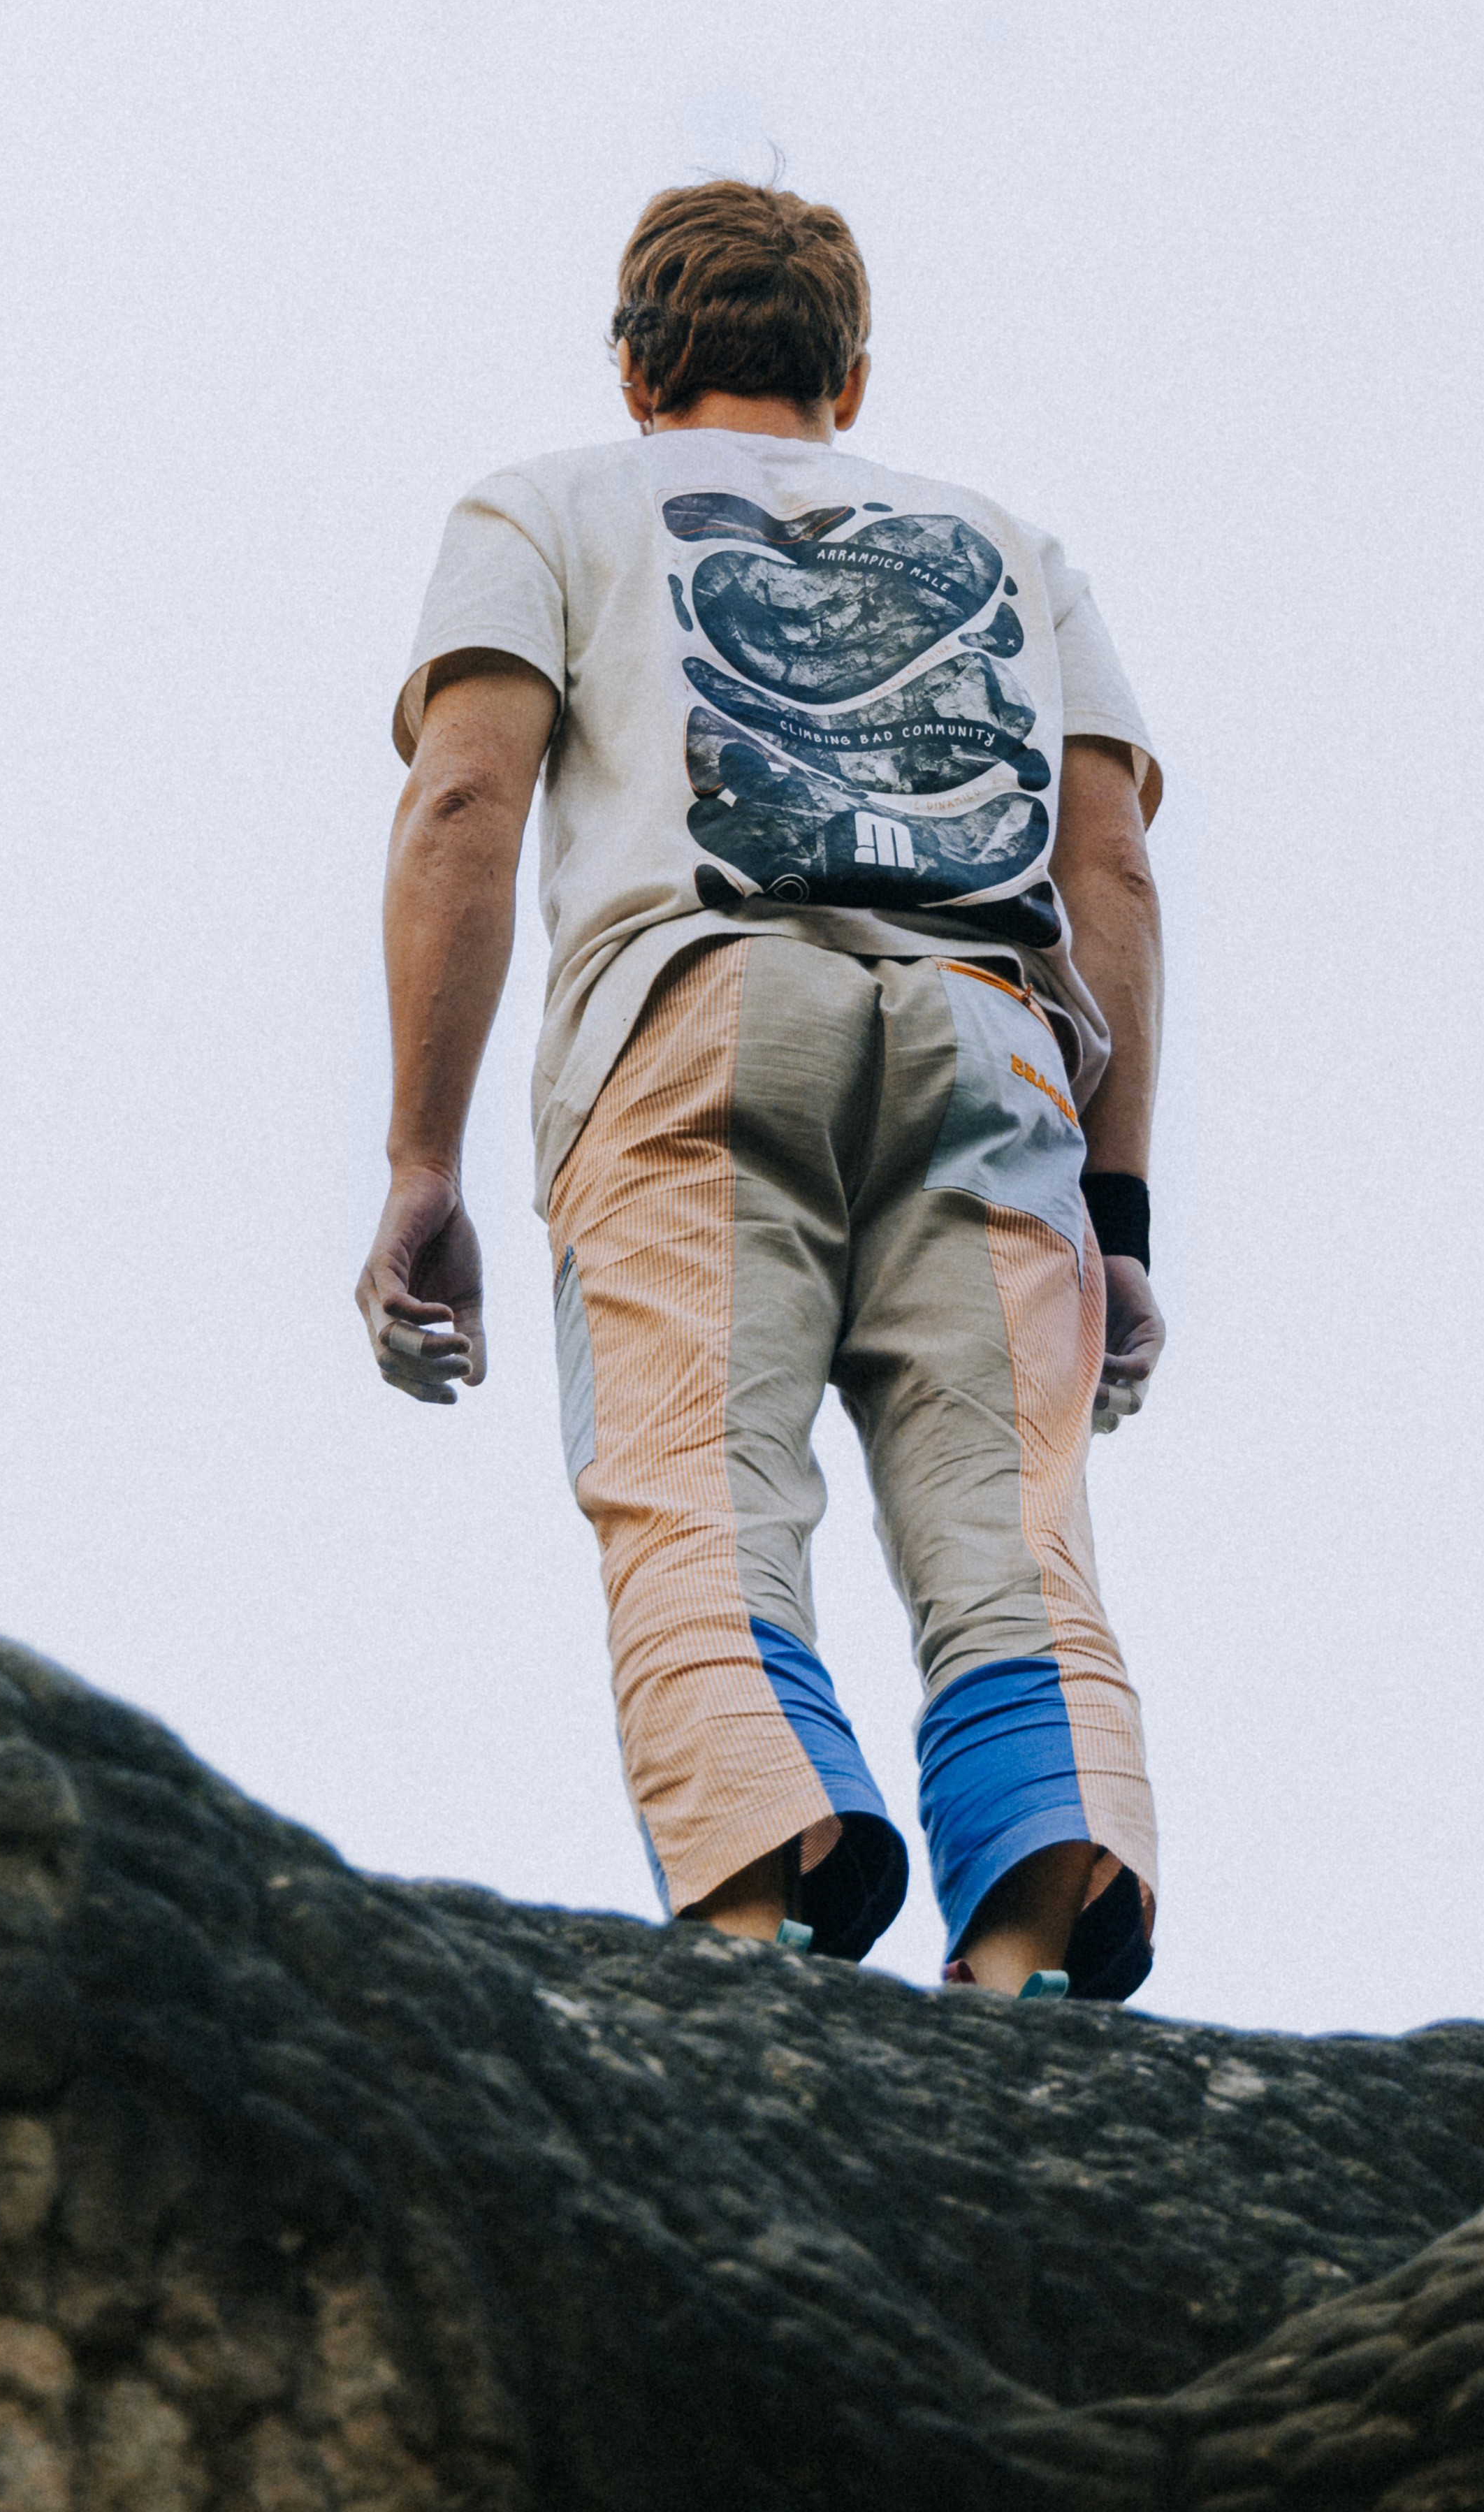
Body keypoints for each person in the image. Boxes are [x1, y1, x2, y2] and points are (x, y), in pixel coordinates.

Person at [357, 178, 1170, 2001]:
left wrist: (424, 1156)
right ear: (850, 383)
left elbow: (467, 800)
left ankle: (763, 1885)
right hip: (987, 1033)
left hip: (701, 1017)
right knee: (1005, 1521)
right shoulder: (1012, 554)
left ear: (640, 371)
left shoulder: (552, 501)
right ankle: (1039, 1914)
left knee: (693, 1486)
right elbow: (1108, 867)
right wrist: (1114, 1220)